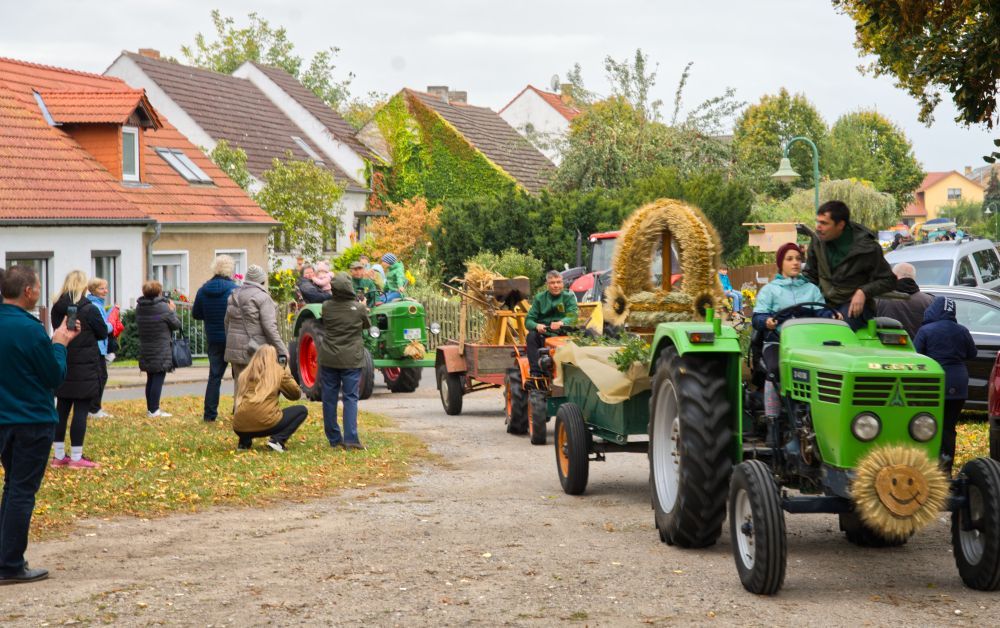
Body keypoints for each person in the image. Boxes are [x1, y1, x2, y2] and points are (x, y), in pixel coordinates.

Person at [0, 265, 79, 584]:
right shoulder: (30, 329)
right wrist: (60, 344)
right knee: (21, 491)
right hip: (31, 419)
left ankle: (5, 556)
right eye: (37, 287)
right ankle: (10, 564)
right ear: (28, 292)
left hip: (4, 418)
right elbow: (53, 375)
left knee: (12, 487)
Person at [752, 243, 839, 418]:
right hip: (777, 342)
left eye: (798, 259)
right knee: (775, 369)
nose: (795, 262)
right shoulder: (770, 290)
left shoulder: (811, 289)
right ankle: (772, 420)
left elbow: (822, 311)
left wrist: (832, 315)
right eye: (789, 259)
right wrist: (766, 321)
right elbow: (757, 318)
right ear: (780, 263)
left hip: (809, 345)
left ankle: (818, 416)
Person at [802, 200, 896, 331]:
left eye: (824, 223)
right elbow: (810, 275)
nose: (818, 227)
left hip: (853, 306)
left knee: (837, 329)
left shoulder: (868, 248)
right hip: (823, 303)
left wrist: (863, 292)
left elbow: (889, 280)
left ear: (840, 225)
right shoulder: (817, 241)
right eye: (818, 222)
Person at [50, 270, 108, 469]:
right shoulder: (89, 309)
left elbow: (56, 328)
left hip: (64, 360)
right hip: (85, 365)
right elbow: (102, 332)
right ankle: (76, 457)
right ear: (83, 286)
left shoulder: (57, 308)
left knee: (61, 409)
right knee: (81, 410)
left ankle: (58, 455)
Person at [914, 297, 977, 476]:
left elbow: (916, 355)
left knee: (927, 425)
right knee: (949, 428)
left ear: (933, 310)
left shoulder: (926, 330)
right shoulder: (962, 330)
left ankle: (928, 465)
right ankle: (946, 469)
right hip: (958, 382)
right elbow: (972, 353)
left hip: (934, 383)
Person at [225, 264, 289, 407]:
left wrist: (231, 343)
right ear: (262, 280)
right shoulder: (263, 298)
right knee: (257, 384)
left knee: (239, 383)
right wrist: (282, 349)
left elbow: (227, 323)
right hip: (254, 348)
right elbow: (270, 327)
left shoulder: (233, 295)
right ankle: (254, 415)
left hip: (234, 347)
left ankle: (238, 413)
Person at [319, 272, 369, 450]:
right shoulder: (359, 308)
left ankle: (334, 438)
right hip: (351, 359)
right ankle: (351, 439)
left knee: (329, 398)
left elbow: (325, 323)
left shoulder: (326, 306)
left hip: (329, 357)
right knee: (350, 398)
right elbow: (366, 325)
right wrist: (362, 306)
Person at [232, 345, 308, 452]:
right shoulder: (277, 373)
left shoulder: (244, 374)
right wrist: (286, 372)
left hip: (239, 427)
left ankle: (244, 443)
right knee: (302, 410)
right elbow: (295, 394)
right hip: (266, 424)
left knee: (248, 410)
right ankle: (277, 440)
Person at [192, 255, 239, 422]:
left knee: (214, 377)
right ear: (230, 269)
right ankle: (239, 410)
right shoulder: (235, 290)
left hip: (213, 338)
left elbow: (196, 314)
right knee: (239, 375)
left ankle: (209, 414)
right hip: (233, 337)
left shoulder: (203, 290)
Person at [135, 280, 181, 418]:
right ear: (159, 292)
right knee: (158, 378)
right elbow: (176, 325)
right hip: (160, 347)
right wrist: (172, 310)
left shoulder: (140, 307)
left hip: (146, 346)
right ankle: (154, 410)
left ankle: (151, 408)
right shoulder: (163, 308)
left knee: (150, 378)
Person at [525, 271, 579, 377]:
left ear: (562, 283)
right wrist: (537, 326)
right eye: (552, 283)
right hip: (544, 334)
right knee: (531, 336)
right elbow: (528, 320)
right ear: (547, 284)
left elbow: (573, 316)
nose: (556, 285)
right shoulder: (539, 298)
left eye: (558, 282)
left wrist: (562, 322)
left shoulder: (569, 297)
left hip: (563, 333)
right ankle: (536, 373)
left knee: (588, 332)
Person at [876, 262, 934, 339]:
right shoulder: (930, 301)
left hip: (887, 345)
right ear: (913, 278)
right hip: (919, 346)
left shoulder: (881, 298)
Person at [85, 277, 115, 419]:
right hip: (97, 346)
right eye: (102, 288)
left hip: (99, 346)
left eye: (106, 288)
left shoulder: (97, 304)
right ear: (93, 290)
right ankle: (94, 409)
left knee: (101, 376)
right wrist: (112, 324)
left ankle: (94, 408)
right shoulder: (95, 306)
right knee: (100, 377)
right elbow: (102, 327)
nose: (105, 291)